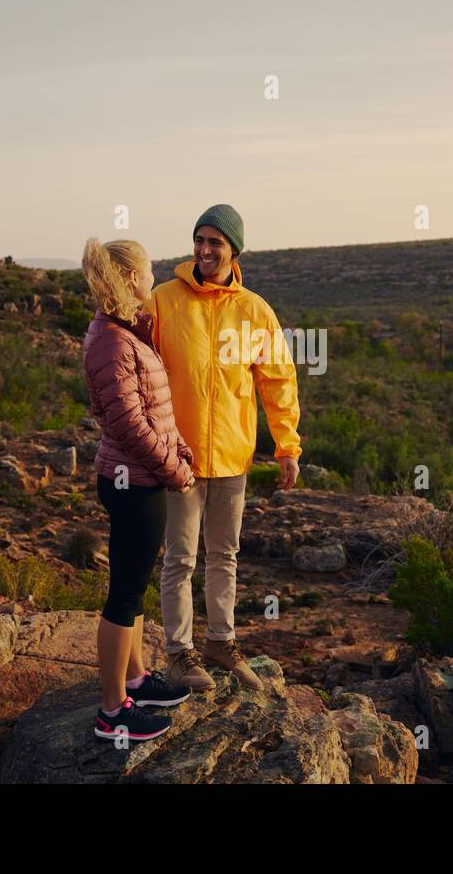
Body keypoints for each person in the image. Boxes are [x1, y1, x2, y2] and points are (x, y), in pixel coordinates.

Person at [150, 204, 302, 691]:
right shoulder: (162, 300)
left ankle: (220, 641)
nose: (205, 249)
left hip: (234, 457)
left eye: (216, 242)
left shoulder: (255, 310)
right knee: (179, 559)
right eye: (199, 239)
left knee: (224, 555)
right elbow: (138, 371)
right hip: (180, 459)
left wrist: (286, 445)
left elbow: (278, 381)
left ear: (233, 250)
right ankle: (178, 653)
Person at [81, 237, 196, 742]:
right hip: (133, 481)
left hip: (137, 477)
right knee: (123, 595)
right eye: (148, 271)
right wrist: (176, 469)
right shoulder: (112, 338)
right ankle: (113, 712)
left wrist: (180, 451)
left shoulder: (125, 331)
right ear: (130, 277)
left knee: (134, 584)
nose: (154, 278)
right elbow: (130, 424)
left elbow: (151, 411)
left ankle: (135, 679)